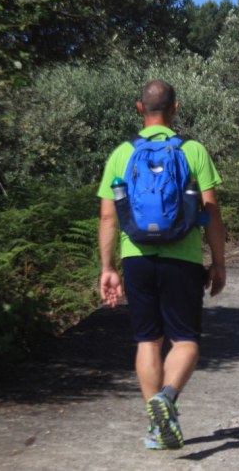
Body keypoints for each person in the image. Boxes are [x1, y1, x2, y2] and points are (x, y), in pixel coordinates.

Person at [97, 80, 227, 450]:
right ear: (175, 107)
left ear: (140, 108)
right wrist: (218, 262)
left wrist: (108, 268)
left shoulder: (122, 153)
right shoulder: (192, 150)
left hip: (136, 257)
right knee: (185, 340)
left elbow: (108, 217)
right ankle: (166, 398)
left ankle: (157, 428)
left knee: (147, 340)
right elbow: (211, 212)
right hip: (182, 258)